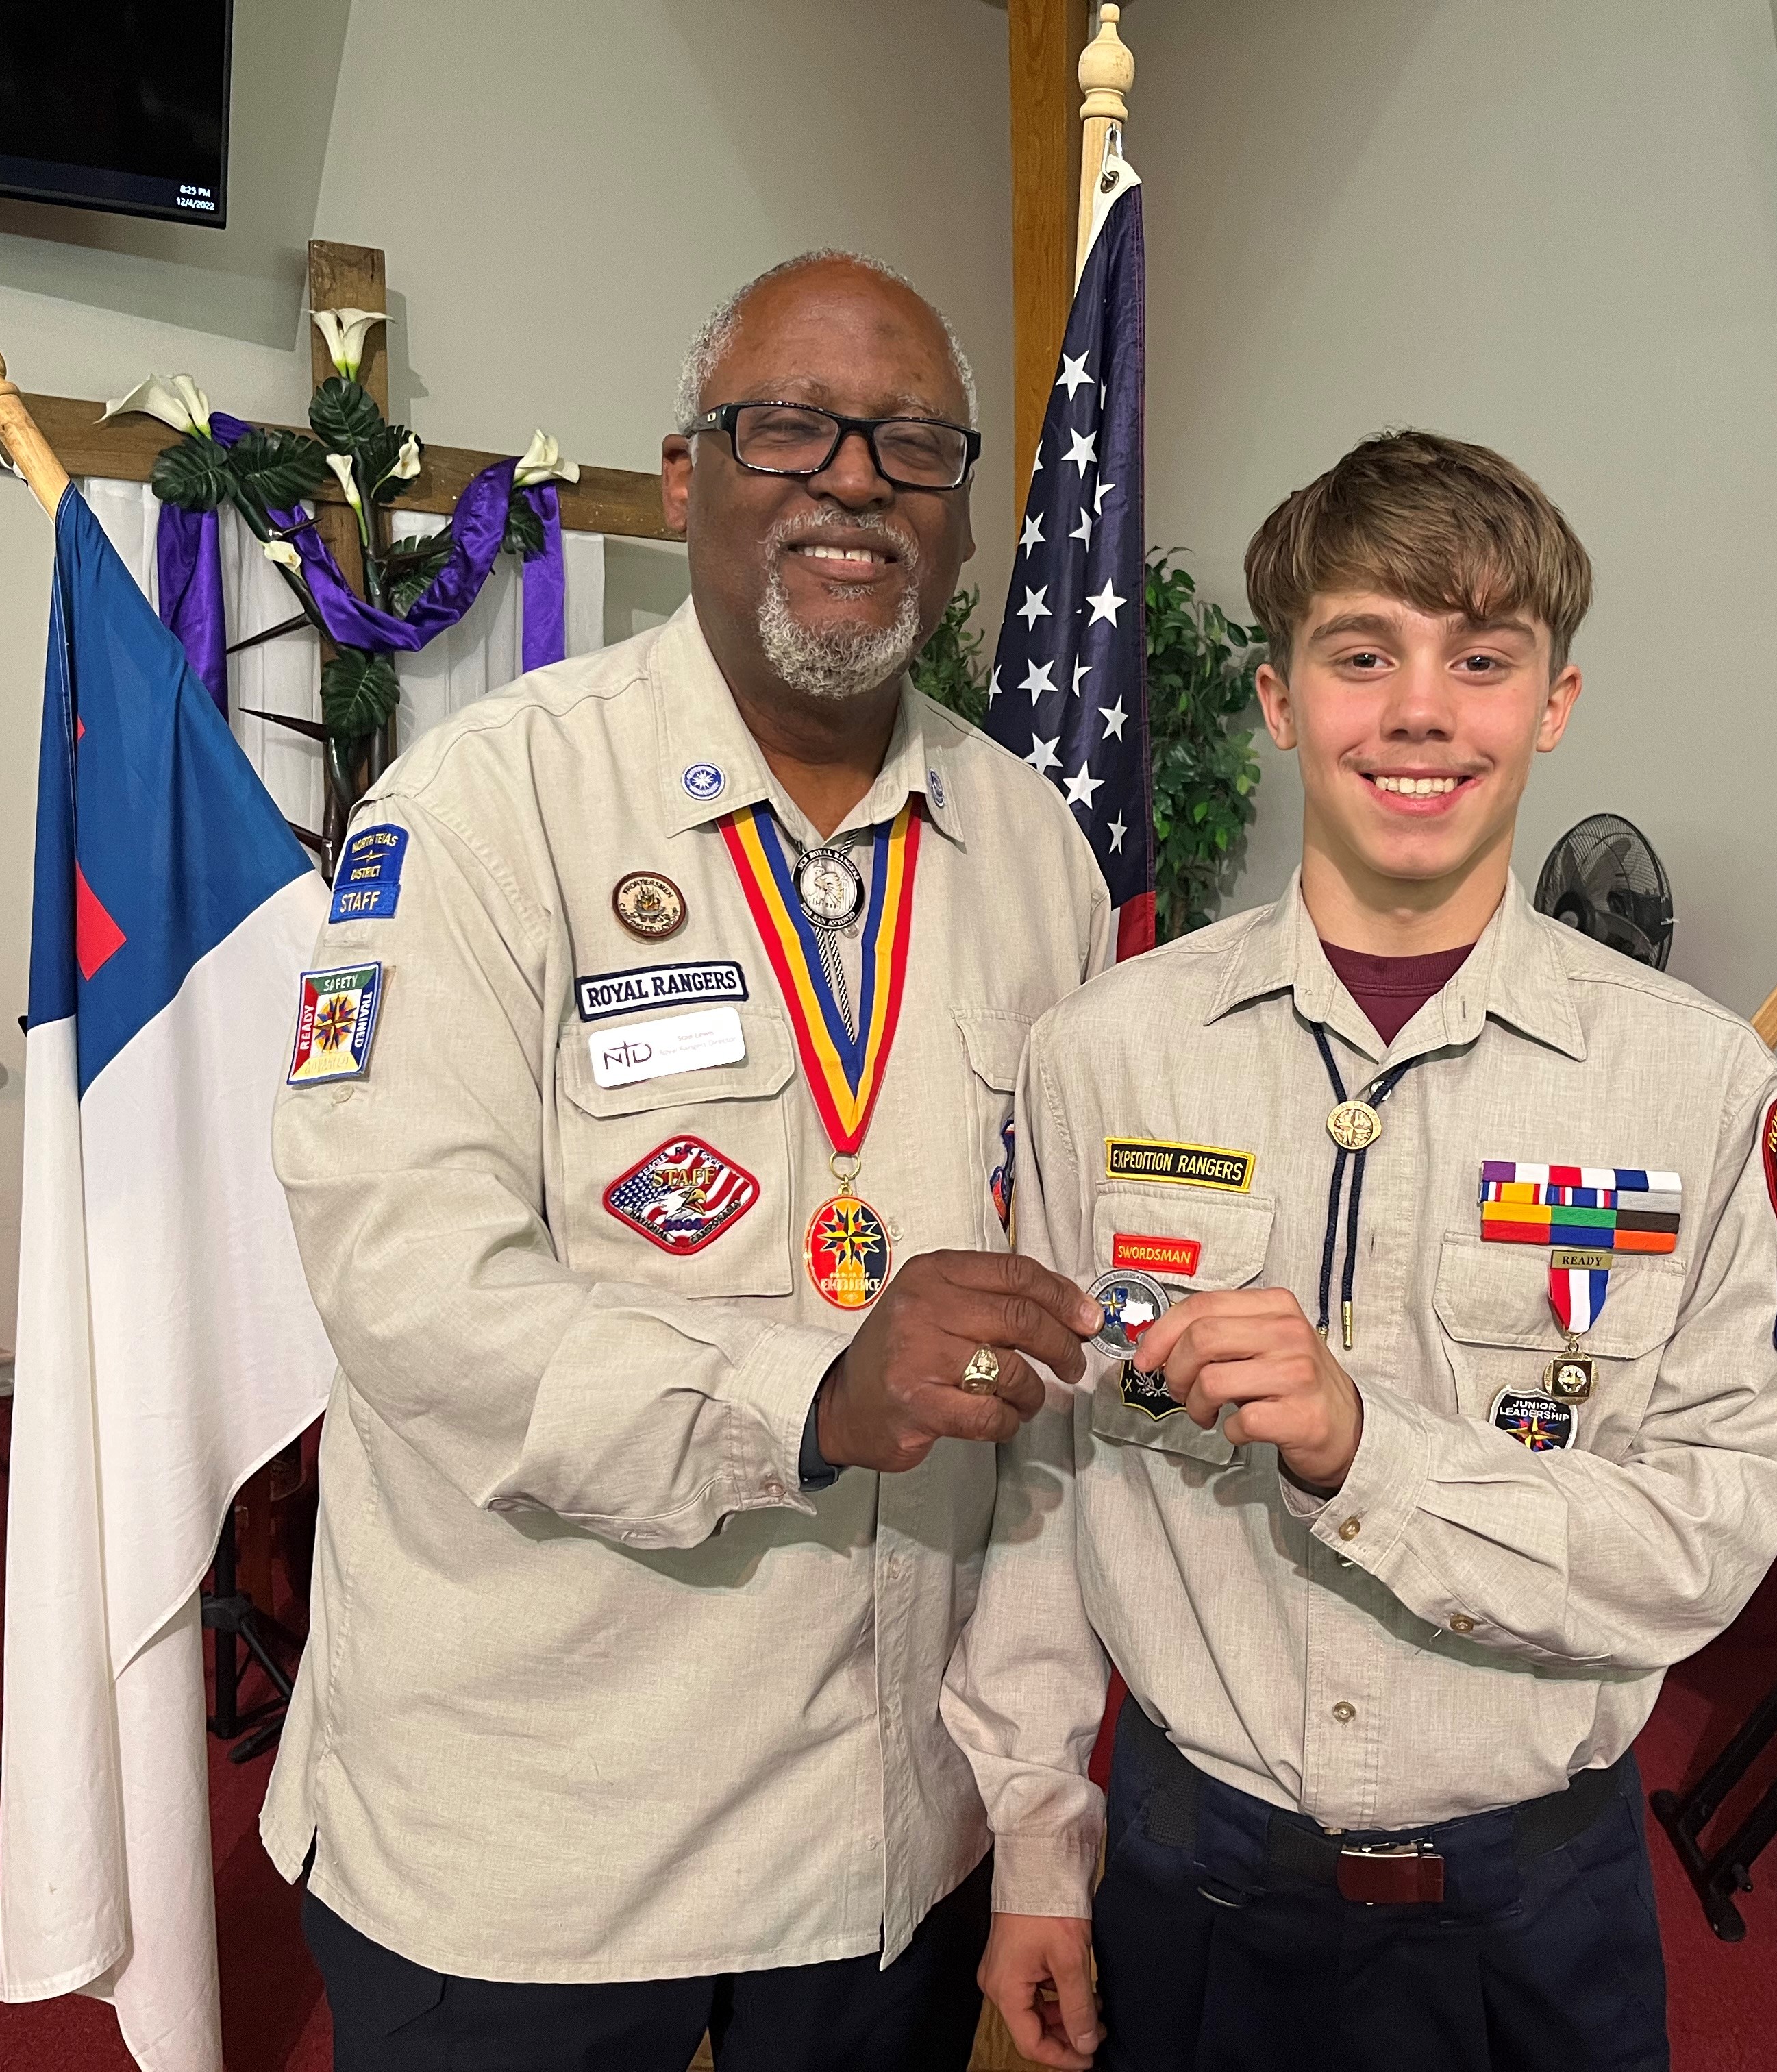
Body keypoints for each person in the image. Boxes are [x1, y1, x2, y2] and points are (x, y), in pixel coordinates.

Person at [265, 250, 1113, 2072]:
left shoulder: (1036, 853)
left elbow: (1053, 1378)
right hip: (537, 1842)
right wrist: (811, 1396)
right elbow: (407, 1286)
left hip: (882, 1840)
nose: (856, 481)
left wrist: (1038, 1821)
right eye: (790, 428)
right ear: (683, 479)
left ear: (966, 517)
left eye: (914, 445)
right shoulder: (485, 809)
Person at [946, 432, 1777, 2071]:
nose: (1421, 711)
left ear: (1554, 703)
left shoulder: (1703, 1087)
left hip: (1534, 1906)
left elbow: (1712, 1534)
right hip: (1193, 1882)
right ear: (1279, 699)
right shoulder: (1105, 1056)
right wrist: (1037, 1842)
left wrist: (1374, 1455)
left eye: (1481, 661)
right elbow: (1043, 1485)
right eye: (1362, 655)